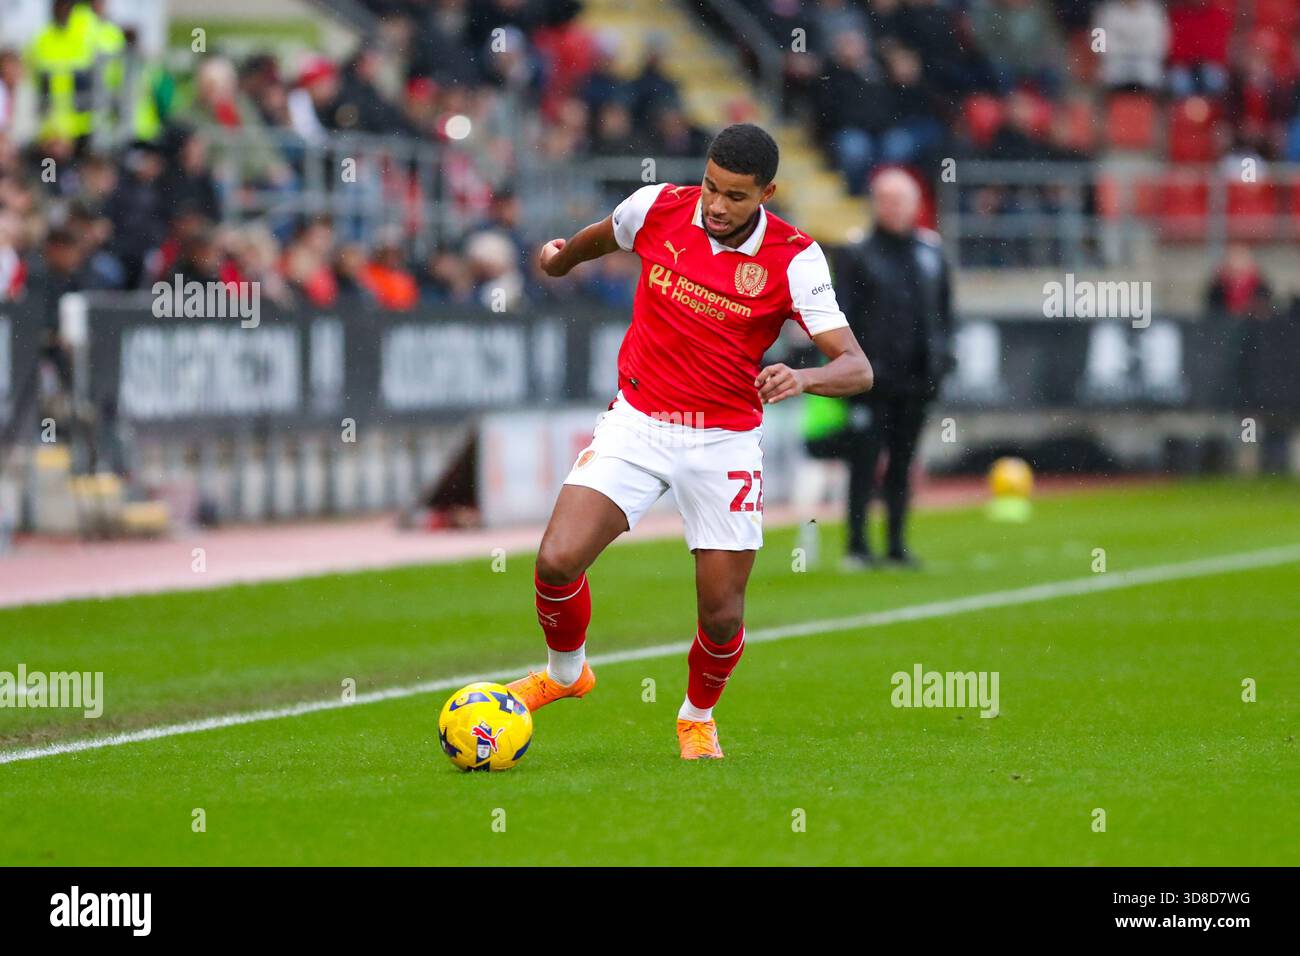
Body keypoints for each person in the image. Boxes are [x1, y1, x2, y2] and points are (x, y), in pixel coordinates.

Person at [504, 124, 872, 759]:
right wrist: (560, 260)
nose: (717, 205)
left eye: (735, 195)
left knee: (722, 614)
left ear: (768, 193)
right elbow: (606, 234)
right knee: (557, 559)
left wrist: (805, 375)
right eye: (710, 186)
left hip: (723, 442)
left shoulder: (795, 258)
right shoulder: (660, 207)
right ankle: (566, 675)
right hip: (638, 421)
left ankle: (697, 715)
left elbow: (857, 367)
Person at [836, 168, 954, 569]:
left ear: (917, 204)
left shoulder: (930, 252)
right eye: (887, 200)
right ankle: (856, 545)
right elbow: (842, 317)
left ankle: (897, 543)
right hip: (870, 381)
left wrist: (942, 362)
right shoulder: (856, 252)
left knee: (903, 462)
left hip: (917, 378)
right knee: (864, 461)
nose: (896, 209)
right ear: (875, 203)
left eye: (903, 200)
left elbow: (944, 313)